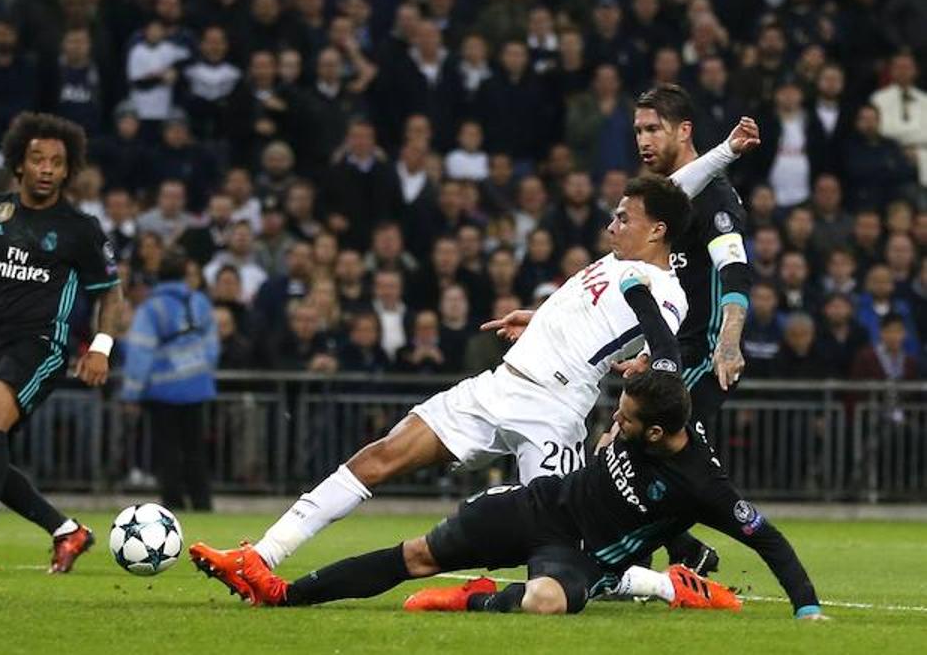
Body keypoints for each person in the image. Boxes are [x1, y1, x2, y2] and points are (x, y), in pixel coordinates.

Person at [189, 143, 750, 586]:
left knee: (558, 562)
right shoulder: (622, 256)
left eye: (623, 218)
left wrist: (655, 371)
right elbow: (671, 196)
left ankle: (671, 586)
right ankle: (260, 555)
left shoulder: (660, 288)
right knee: (381, 456)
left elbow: (659, 339)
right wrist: (542, 320)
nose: (612, 225)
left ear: (656, 231)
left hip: (552, 412)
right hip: (497, 387)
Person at [200, 372, 825, 622]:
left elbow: (766, 536)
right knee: (416, 555)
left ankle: (479, 598)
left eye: (626, 420)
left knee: (547, 602)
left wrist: (806, 610)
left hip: (579, 557)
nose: (614, 421)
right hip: (539, 504)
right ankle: (285, 593)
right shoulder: (650, 416)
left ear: (658, 434)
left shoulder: (705, 485)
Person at [0, 112, 123, 573]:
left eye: (57, 161)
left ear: (69, 170)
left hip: (41, 345)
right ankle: (65, 530)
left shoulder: (81, 228)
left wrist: (100, 346)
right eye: (37, 159)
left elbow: (111, 294)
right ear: (19, 163)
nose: (47, 168)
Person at [632, 84, 755, 574]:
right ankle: (684, 552)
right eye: (638, 130)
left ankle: (633, 558)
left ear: (684, 131)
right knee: (635, 451)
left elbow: (734, 268)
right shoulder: (661, 201)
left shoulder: (716, 198)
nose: (642, 140)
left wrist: (728, 342)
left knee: (632, 444)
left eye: (652, 129)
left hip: (703, 352)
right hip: (669, 350)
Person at [121, 245, 219, 512]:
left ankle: (173, 503)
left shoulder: (151, 308)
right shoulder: (199, 302)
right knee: (196, 449)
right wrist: (201, 370)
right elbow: (212, 346)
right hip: (197, 386)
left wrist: (131, 393)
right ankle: (202, 502)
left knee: (167, 451)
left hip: (162, 390)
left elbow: (140, 352)